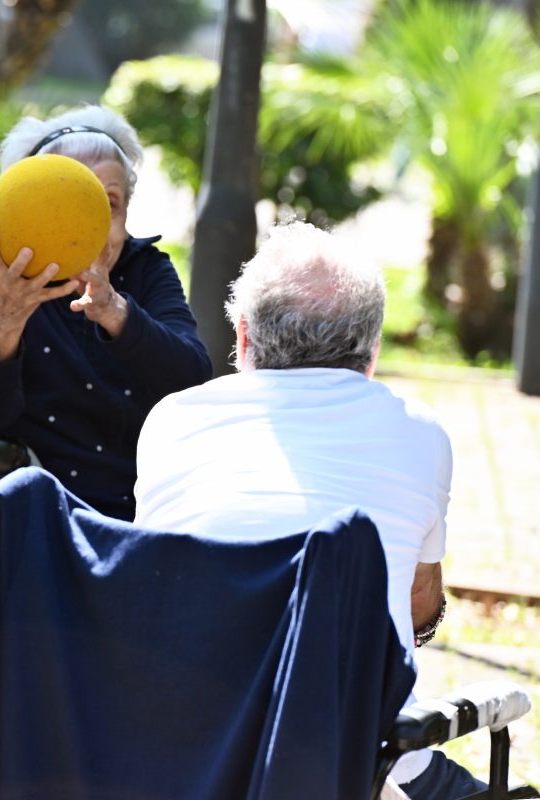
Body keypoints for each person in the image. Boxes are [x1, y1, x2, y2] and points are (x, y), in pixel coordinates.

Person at [131, 221, 472, 799]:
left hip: (182, 754)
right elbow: (418, 604)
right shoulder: (420, 435)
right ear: (373, 350)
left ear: (241, 337)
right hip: (357, 762)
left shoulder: (171, 421)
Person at [0, 105, 212, 521]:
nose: (93, 223)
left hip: (139, 507)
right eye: (71, 203)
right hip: (27, 507)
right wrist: (3, 323)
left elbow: (192, 378)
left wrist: (113, 310)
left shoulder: (146, 269)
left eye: (109, 204)